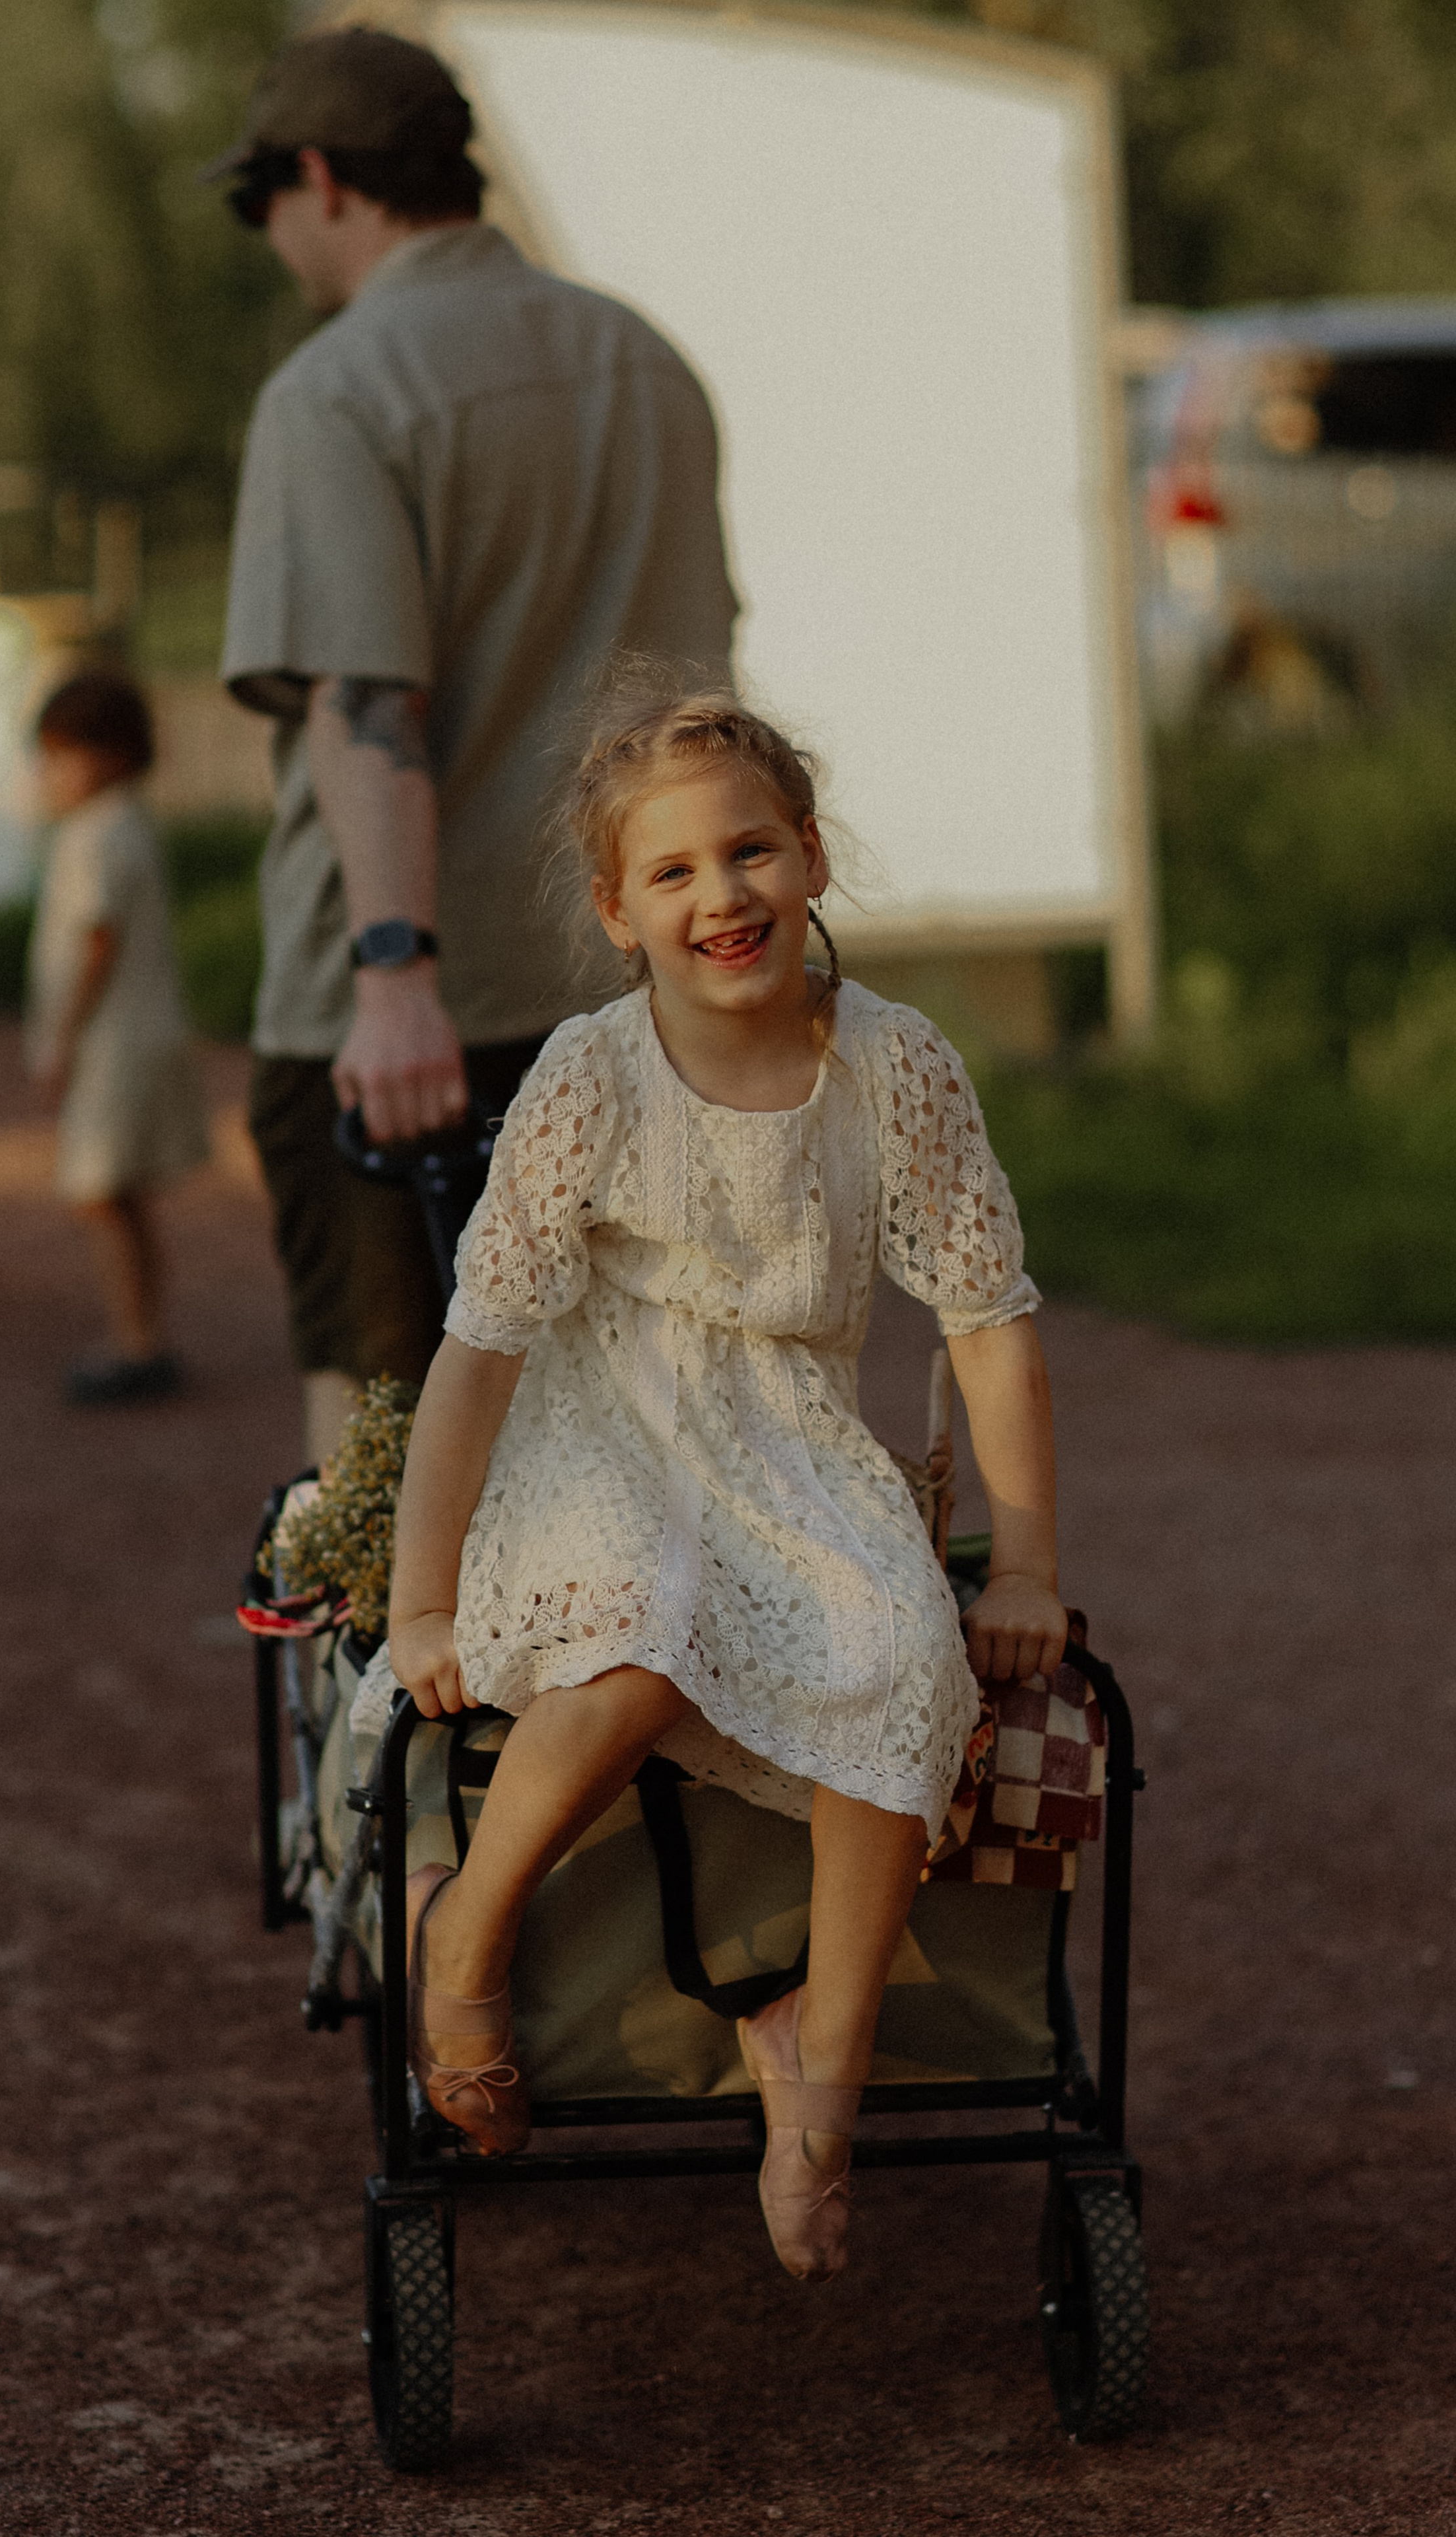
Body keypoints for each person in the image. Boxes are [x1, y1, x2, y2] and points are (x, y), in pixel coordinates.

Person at [372, 692, 1068, 2282]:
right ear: (617, 911)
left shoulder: (893, 1063)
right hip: (600, 1424)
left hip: (788, 1438)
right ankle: (464, 1930)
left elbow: (985, 1320)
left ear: (809, 854)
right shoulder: (589, 1075)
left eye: (749, 850)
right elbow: (478, 1348)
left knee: (903, 1655)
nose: (722, 895)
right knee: (638, 1627)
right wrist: (421, 1598)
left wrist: (1023, 1562)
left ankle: (819, 2068)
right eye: (673, 872)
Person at [211, 24, 738, 1466]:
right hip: (636, 991)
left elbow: (367, 705)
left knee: (386, 1455)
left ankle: (381, 1639)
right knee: (649, 1438)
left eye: (260, 199)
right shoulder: (643, 361)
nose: (271, 232)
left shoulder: (336, 392)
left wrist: (393, 978)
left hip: (408, 1028)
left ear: (321, 179)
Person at [25, 671, 209, 1406]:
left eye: (60, 756)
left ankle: (137, 1345)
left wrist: (59, 1040)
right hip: (141, 1035)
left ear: (110, 754)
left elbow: (95, 941)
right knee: (121, 1195)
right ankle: (143, 1334)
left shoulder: (93, 835)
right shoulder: (129, 823)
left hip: (112, 1044)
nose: (48, 773)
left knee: (99, 1194)